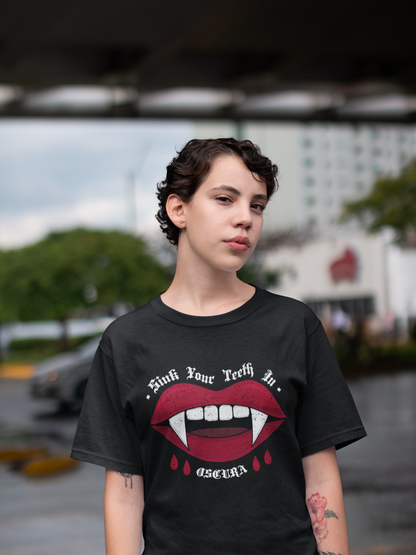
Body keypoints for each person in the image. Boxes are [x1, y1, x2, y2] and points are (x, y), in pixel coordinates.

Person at [71, 138, 366, 555]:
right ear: (179, 210)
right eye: (225, 199)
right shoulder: (126, 341)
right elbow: (123, 494)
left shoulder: (294, 326)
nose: (245, 218)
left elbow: (321, 476)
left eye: (257, 205)